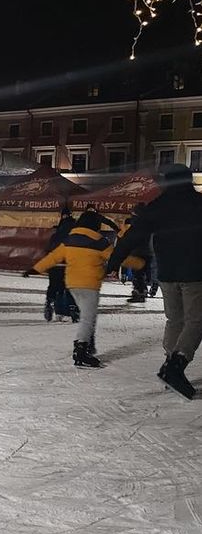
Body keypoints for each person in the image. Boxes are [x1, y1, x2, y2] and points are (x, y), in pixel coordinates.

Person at [108, 163, 202, 399]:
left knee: (175, 319)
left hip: (167, 273)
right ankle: (175, 366)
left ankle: (170, 363)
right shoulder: (199, 203)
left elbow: (131, 236)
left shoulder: (156, 207)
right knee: (196, 320)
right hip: (195, 272)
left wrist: (113, 261)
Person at [25, 209, 130, 368]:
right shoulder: (99, 241)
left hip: (73, 283)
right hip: (90, 285)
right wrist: (139, 263)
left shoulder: (70, 239)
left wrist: (35, 269)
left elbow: (53, 257)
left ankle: (86, 345)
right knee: (87, 318)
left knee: (88, 317)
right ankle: (80, 353)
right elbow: (116, 256)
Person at [42, 208, 78, 322]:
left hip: (56, 264)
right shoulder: (76, 234)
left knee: (54, 286)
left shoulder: (56, 235)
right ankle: (72, 309)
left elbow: (48, 250)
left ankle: (50, 301)